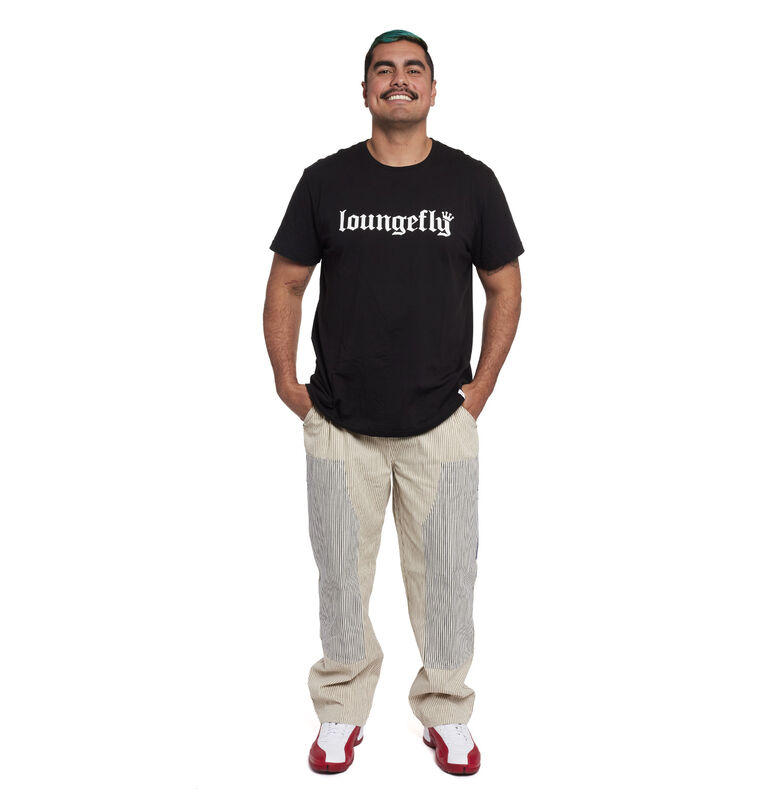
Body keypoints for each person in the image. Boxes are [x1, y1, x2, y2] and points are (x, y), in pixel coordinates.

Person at [263, 29, 524, 775]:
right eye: (384, 70)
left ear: (434, 90)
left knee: (448, 578)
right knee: (341, 579)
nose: (398, 80)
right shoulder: (325, 181)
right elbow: (287, 283)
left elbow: (504, 286)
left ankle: (446, 711)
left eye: (414, 70)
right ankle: (341, 710)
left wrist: (482, 388)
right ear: (366, 90)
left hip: (441, 423)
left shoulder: (472, 183)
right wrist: (287, 383)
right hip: (340, 422)